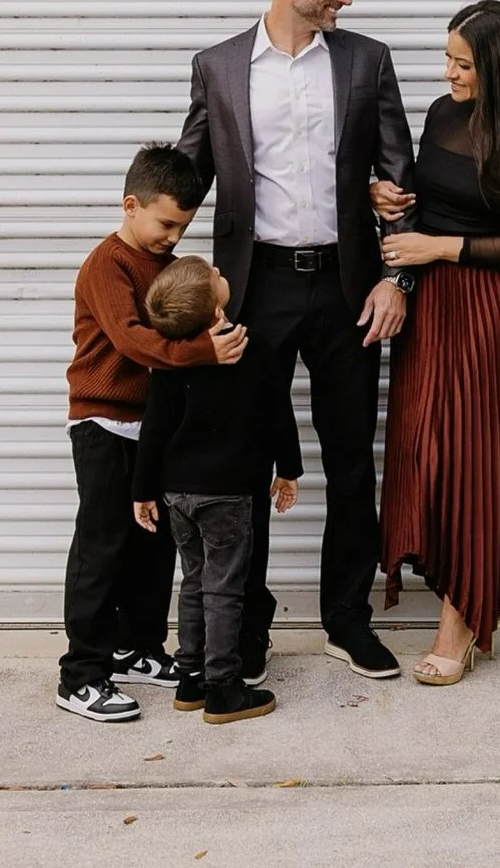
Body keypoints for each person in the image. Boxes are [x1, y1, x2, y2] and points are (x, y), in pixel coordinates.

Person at [176, 0, 416, 681]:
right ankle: (245, 629)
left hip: (348, 287)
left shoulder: (366, 60)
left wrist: (396, 278)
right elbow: (188, 174)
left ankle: (348, 620)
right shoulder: (217, 66)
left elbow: (398, 175)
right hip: (256, 287)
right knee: (245, 462)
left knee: (351, 459)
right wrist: (139, 259)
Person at [376, 0, 500, 685]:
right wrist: (394, 213)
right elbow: (422, 201)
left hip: (484, 308)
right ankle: (454, 587)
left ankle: (460, 622)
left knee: (469, 459)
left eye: (464, 64)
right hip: (427, 305)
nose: (449, 74)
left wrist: (440, 246)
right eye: (448, 59)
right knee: (421, 451)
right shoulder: (440, 113)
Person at [56, 143, 249, 723]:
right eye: (165, 223)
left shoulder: (164, 266)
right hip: (102, 422)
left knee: (152, 548)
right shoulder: (107, 264)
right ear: (131, 204)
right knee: (102, 549)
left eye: (183, 226)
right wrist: (204, 353)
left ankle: (136, 648)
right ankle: (81, 674)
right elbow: (131, 339)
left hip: (149, 430)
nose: (172, 235)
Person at [133, 254, 304, 724]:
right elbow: (278, 415)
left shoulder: (172, 359)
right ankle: (224, 688)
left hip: (178, 494)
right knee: (225, 589)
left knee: (193, 581)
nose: (220, 271)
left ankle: (189, 677)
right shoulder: (255, 347)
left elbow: (155, 428)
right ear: (214, 307)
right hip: (229, 494)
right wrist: (288, 470)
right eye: (214, 275)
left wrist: (142, 490)